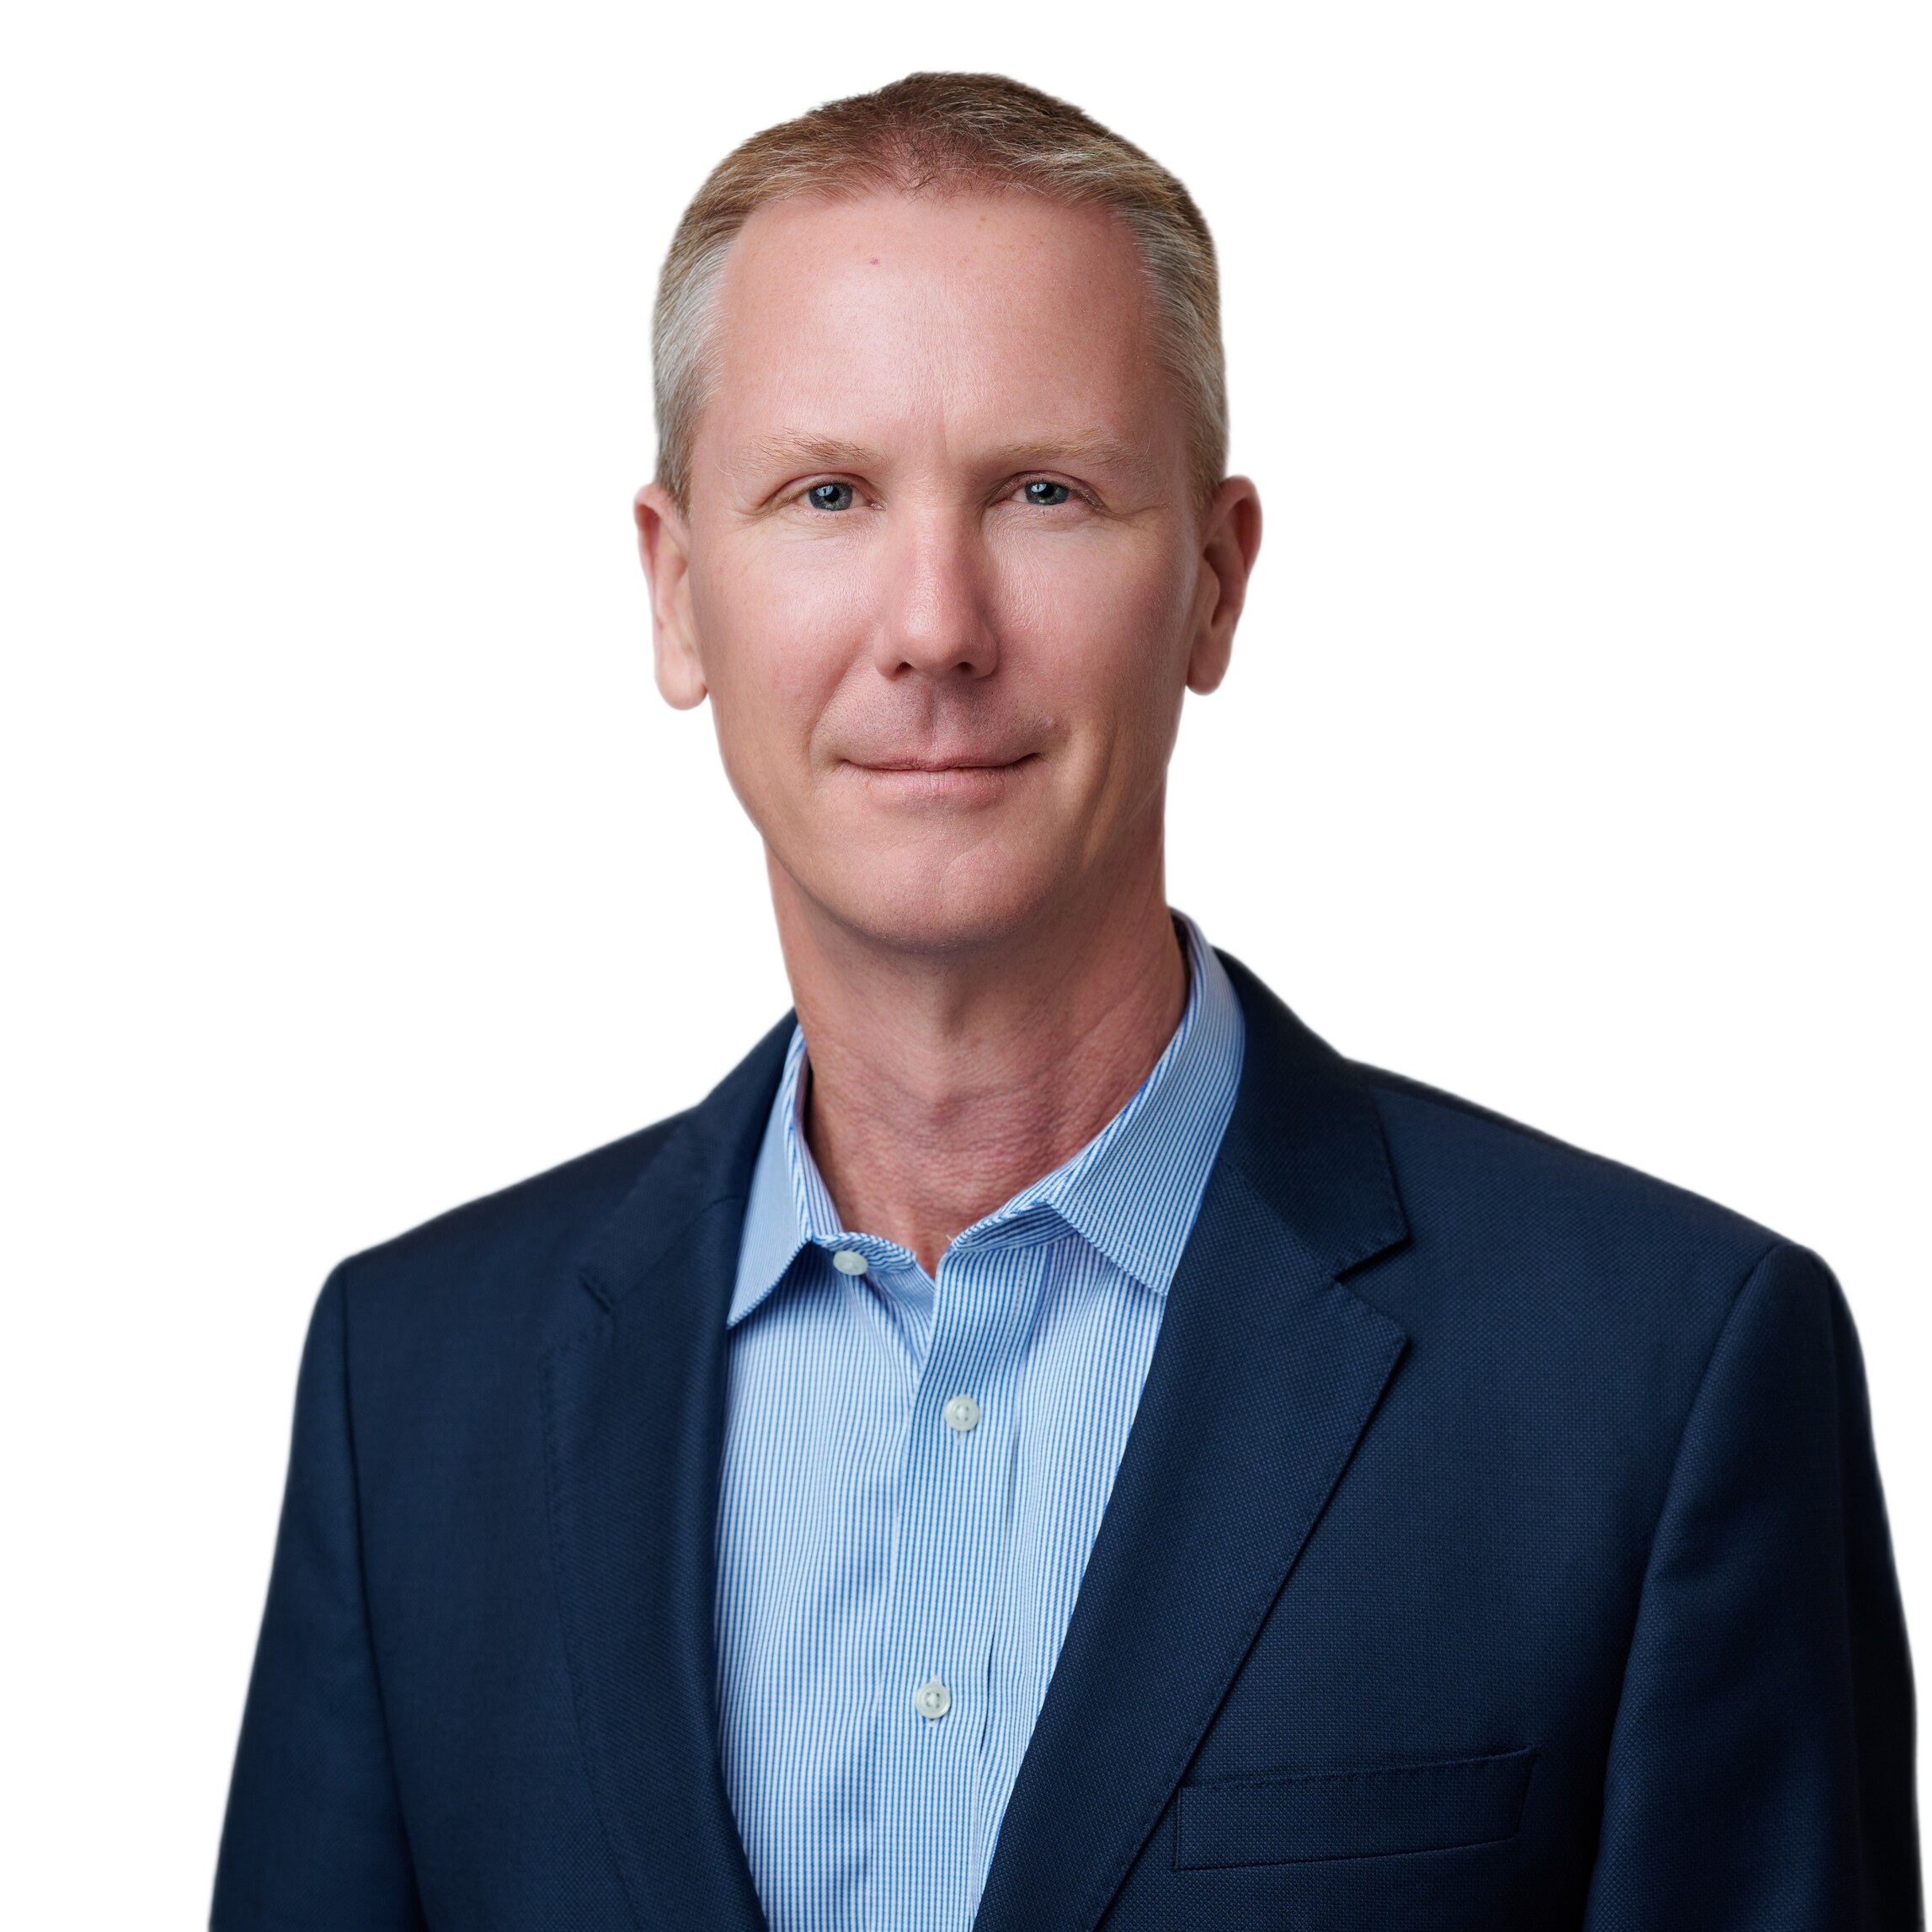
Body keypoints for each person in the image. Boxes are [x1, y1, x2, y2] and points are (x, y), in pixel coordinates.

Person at [211, 71, 1919, 1930]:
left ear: (1213, 579)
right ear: (676, 593)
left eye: (1042, 490)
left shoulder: (1658, 1381)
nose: (934, 624)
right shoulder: (413, 1380)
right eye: (827, 494)